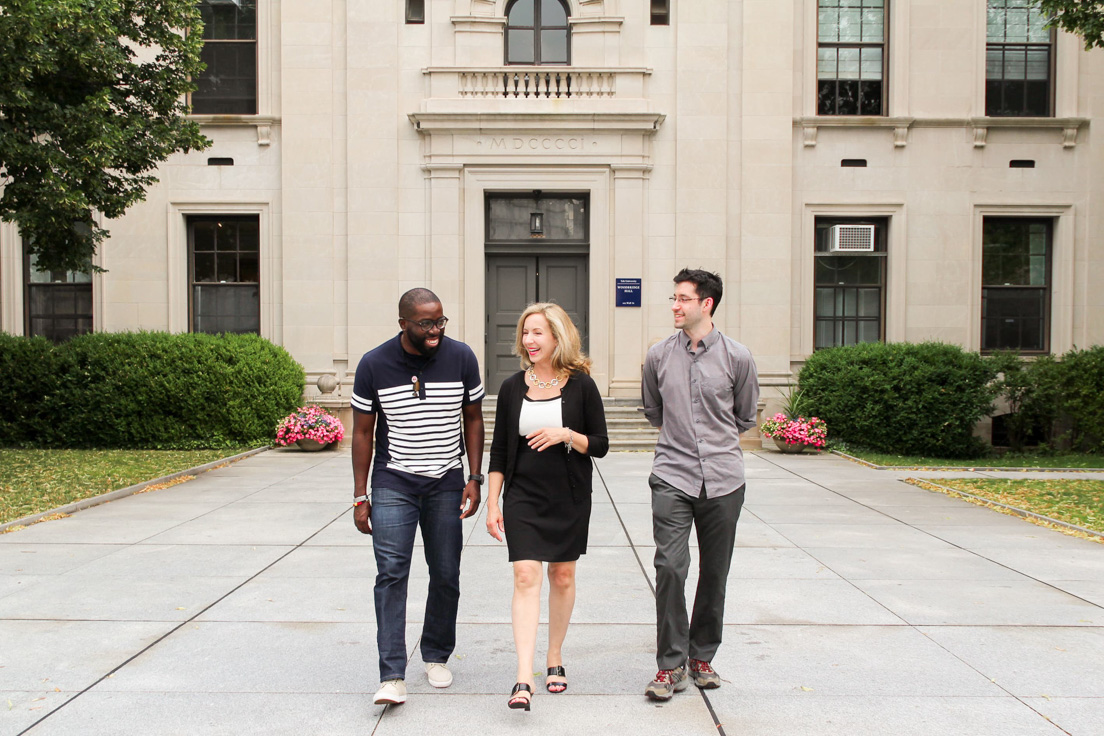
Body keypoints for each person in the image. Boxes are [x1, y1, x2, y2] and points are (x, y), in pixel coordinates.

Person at [351, 288, 486, 706]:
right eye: (426, 323)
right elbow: (361, 433)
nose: (435, 330)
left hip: (446, 481)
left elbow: (474, 419)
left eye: (440, 321)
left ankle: (436, 654)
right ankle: (392, 674)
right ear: (403, 323)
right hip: (394, 483)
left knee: (446, 572)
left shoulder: (461, 357)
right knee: (391, 574)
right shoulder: (374, 364)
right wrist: (360, 495)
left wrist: (474, 476)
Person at [641, 268, 759, 701]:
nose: (675, 305)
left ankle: (702, 656)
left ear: (706, 304)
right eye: (673, 298)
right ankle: (670, 665)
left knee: (715, 571)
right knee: (670, 567)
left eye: (683, 299)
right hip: (672, 474)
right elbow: (654, 410)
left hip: (724, 481)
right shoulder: (657, 356)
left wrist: (714, 443)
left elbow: (745, 416)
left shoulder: (737, 357)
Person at [484, 302, 609, 711]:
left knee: (563, 576)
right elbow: (500, 450)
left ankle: (554, 656)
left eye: (538, 332)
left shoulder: (583, 386)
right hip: (523, 495)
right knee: (524, 576)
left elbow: (602, 445)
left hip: (569, 496)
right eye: (525, 332)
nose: (529, 340)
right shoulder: (510, 388)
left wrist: (565, 434)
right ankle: (523, 676)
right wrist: (493, 503)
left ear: (558, 337)